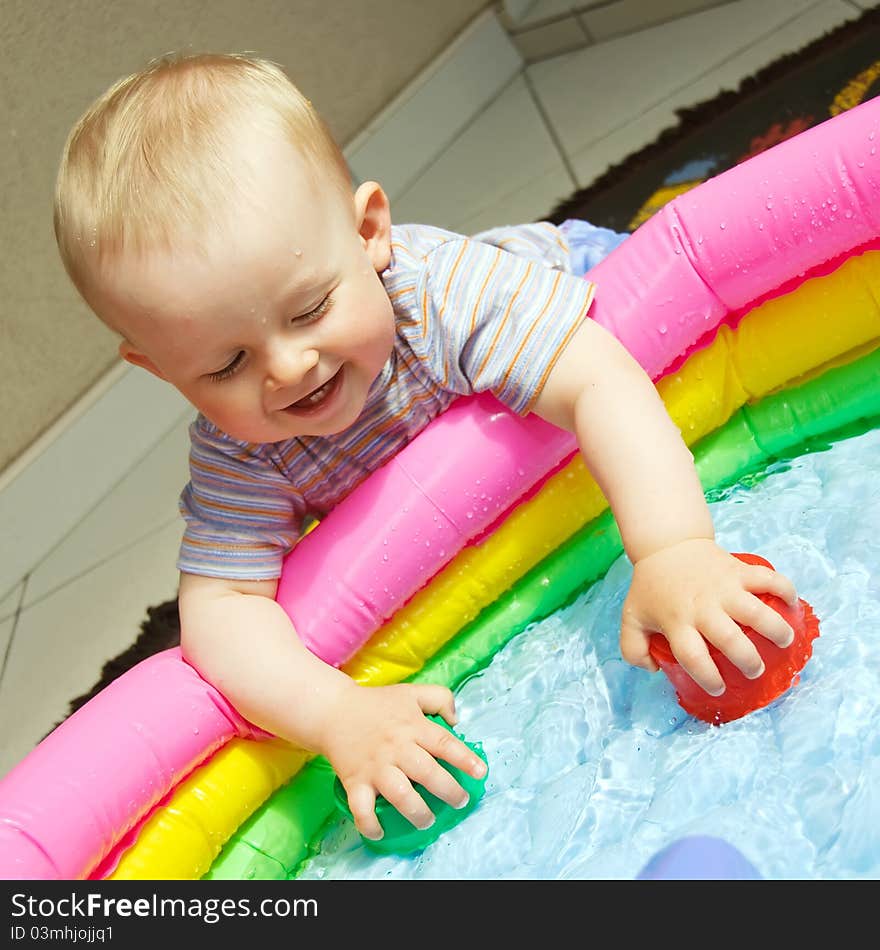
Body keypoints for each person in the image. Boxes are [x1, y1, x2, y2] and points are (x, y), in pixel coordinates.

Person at [53, 52, 798, 843]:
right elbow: (220, 611)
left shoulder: (436, 294)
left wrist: (673, 550)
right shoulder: (240, 451)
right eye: (225, 364)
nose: (287, 368)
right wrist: (336, 712)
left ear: (370, 232)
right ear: (159, 368)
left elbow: (598, 381)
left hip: (569, 290)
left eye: (309, 309)